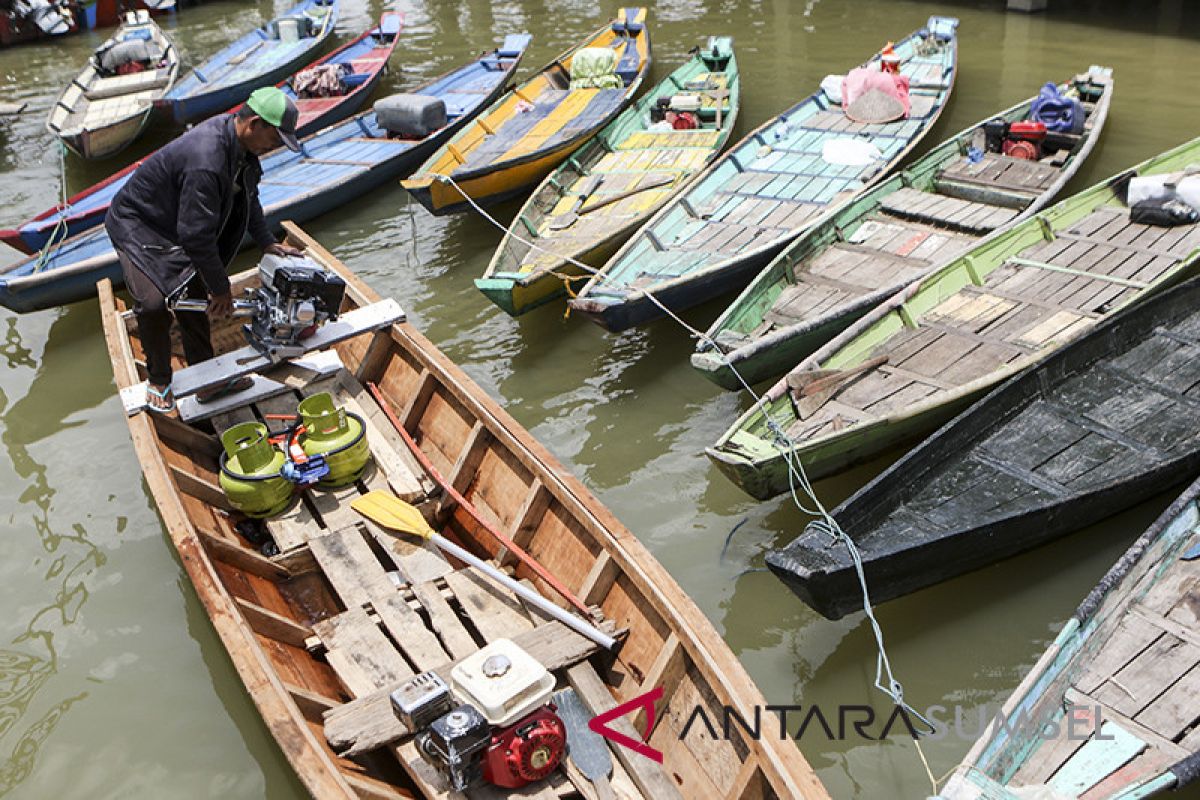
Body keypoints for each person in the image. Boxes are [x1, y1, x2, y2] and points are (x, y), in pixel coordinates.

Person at [105, 86, 306, 414]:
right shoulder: (207, 160)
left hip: (174, 220)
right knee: (153, 303)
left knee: (195, 293)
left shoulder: (241, 147)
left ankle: (208, 380)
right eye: (274, 138)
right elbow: (196, 237)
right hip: (137, 223)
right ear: (254, 124)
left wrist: (266, 240)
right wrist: (221, 288)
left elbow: (248, 198)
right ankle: (159, 379)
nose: (274, 148)